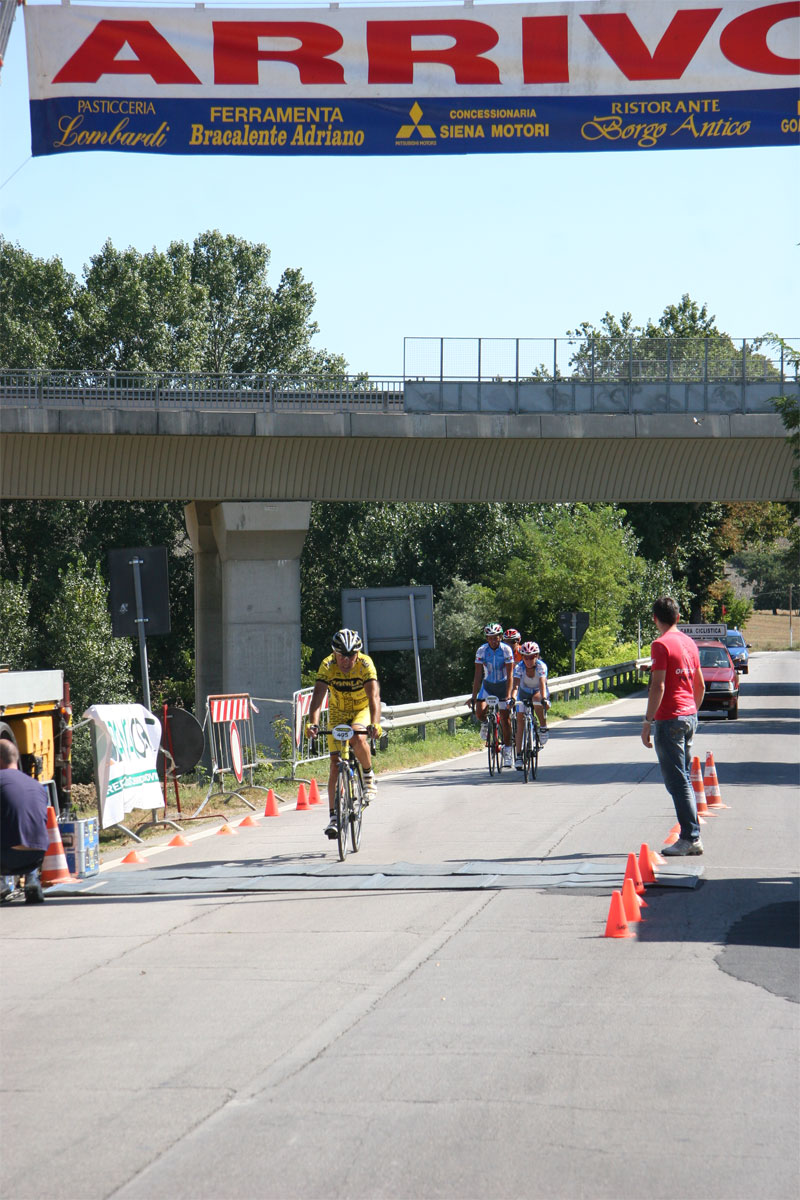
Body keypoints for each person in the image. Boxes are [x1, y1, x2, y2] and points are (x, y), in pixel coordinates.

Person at [642, 596, 706, 856]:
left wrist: (648, 721)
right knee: (682, 779)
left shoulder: (660, 644)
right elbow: (699, 686)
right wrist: (691, 713)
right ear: (678, 617)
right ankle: (690, 834)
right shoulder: (689, 643)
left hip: (669, 719)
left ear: (655, 619)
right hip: (689, 715)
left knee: (677, 781)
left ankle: (690, 837)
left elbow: (658, 686)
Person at [306, 629, 382, 841]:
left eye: (351, 656)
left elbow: (374, 697)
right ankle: (333, 818)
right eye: (342, 656)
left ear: (358, 654)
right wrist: (313, 723)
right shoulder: (327, 665)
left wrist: (375, 724)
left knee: (357, 738)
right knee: (334, 764)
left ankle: (367, 776)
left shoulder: (366, 665)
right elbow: (318, 698)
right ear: (334, 654)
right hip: (338, 713)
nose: (346, 661)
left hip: (361, 709)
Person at [1, 739, 50, 903]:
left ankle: (1, 885)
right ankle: (32, 879)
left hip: (6, 857)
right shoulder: (36, 785)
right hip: (36, 855)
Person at [470, 623, 514, 768]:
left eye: (495, 638)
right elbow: (477, 675)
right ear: (487, 638)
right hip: (488, 685)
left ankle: (507, 750)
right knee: (479, 712)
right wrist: (474, 696)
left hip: (503, 686)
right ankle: (485, 723)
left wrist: (508, 695)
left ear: (500, 637)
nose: (493, 641)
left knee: (505, 719)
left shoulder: (506, 650)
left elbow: (510, 674)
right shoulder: (482, 651)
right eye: (490, 638)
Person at [510, 641, 550, 767]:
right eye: (525, 657)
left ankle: (543, 727)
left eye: (531, 657)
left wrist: (544, 699)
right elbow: (515, 685)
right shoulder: (519, 667)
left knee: (537, 701)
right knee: (520, 720)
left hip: (538, 692)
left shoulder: (541, 667)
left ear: (536, 656)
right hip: (523, 693)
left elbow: (542, 684)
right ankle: (518, 756)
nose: (528, 660)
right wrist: (512, 698)